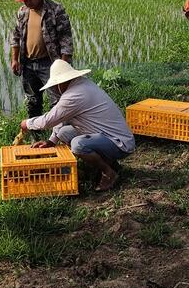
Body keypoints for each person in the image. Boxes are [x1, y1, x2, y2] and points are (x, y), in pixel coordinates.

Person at [20, 60, 135, 192]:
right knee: (64, 132)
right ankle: (110, 164)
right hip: (105, 136)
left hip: (119, 143)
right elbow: (62, 117)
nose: (54, 89)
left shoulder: (74, 95)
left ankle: (108, 173)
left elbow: (48, 120)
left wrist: (27, 123)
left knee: (78, 145)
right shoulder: (81, 85)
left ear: (62, 82)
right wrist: (51, 141)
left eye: (55, 85)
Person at [10, 0, 73, 118]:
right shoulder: (22, 11)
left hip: (50, 64)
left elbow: (66, 39)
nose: (27, 2)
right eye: (24, 0)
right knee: (32, 101)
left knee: (57, 101)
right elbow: (15, 36)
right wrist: (14, 59)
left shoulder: (55, 9)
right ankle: (35, 129)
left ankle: (58, 130)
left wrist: (63, 66)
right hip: (28, 64)